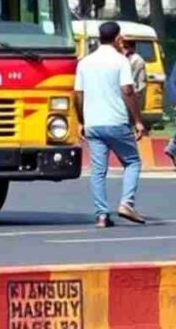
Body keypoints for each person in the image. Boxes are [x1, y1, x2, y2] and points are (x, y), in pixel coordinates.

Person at [74, 21, 146, 227]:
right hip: (116, 121)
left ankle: (102, 215)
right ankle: (126, 203)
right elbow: (128, 91)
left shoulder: (85, 62)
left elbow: (78, 94)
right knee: (132, 162)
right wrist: (138, 121)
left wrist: (81, 121)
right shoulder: (120, 61)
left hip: (93, 125)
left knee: (98, 170)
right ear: (117, 39)